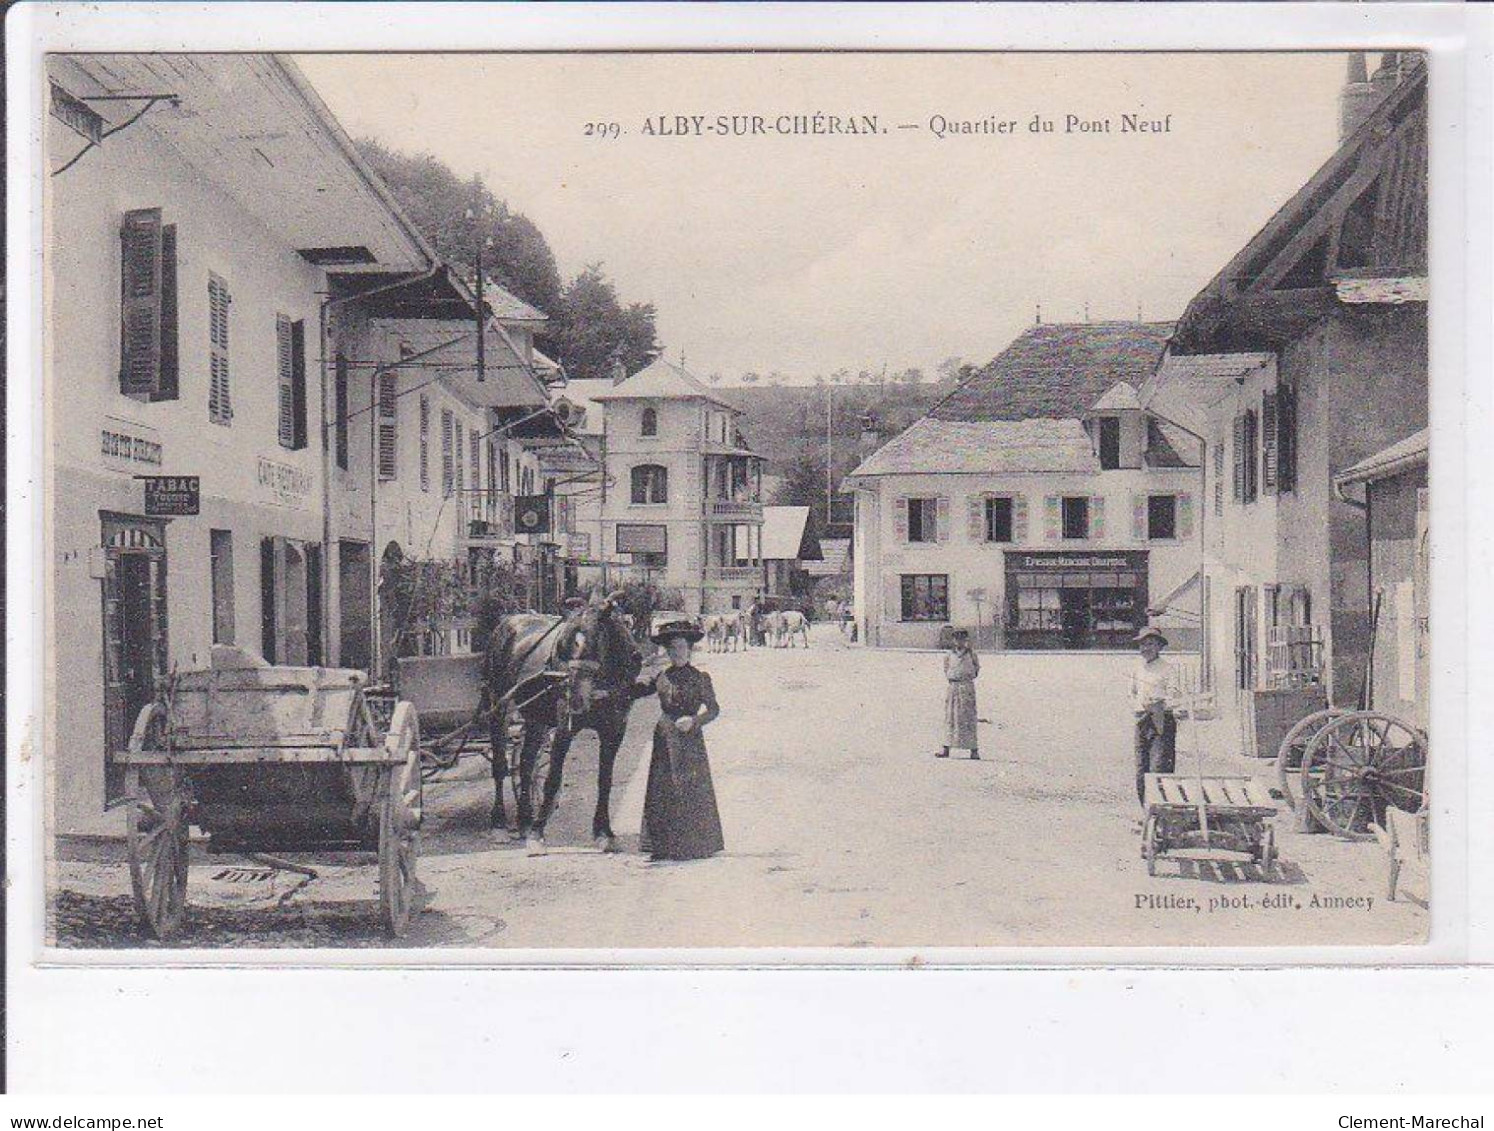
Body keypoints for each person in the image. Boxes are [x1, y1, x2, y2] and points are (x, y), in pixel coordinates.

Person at [637, 619, 725, 861]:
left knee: (689, 788)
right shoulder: (661, 677)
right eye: (672, 649)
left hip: (689, 739)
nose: (677, 653)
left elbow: (714, 710)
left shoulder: (700, 678)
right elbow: (635, 691)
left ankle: (692, 846)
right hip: (664, 738)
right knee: (662, 789)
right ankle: (663, 845)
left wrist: (694, 721)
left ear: (690, 649)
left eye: (681, 648)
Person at [1131, 625, 1181, 804]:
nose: (1146, 648)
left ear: (1159, 646)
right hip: (1142, 721)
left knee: (1159, 767)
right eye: (1142, 645)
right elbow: (1134, 693)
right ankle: (1146, 814)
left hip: (1162, 721)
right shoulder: (1138, 669)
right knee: (1141, 770)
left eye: (1151, 644)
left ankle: (1162, 812)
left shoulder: (1168, 669)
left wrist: (1159, 701)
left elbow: (1175, 696)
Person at [939, 628, 981, 760]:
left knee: (968, 718)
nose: (960, 642)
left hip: (967, 687)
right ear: (953, 640)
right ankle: (946, 748)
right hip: (953, 687)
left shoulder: (971, 654)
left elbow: (976, 669)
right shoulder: (949, 655)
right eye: (957, 639)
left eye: (962, 639)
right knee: (951, 717)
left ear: (966, 640)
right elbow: (946, 669)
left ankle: (973, 750)